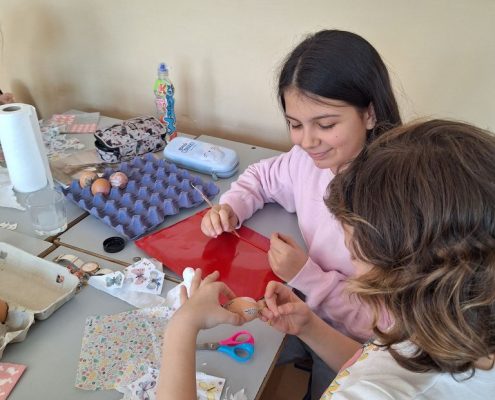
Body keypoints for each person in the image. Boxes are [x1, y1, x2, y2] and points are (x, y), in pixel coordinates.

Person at [158, 119, 495, 400]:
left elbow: (378, 379)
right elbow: (382, 363)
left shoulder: (371, 393)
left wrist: (182, 327)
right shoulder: (456, 330)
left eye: (350, 245)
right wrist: (311, 327)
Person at [200, 29, 401, 398]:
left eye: (326, 125)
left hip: (351, 340)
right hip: (302, 306)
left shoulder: (395, 204)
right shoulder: (308, 160)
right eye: (295, 124)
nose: (307, 141)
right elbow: (262, 175)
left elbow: (384, 323)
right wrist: (233, 206)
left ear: (370, 114)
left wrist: (306, 276)